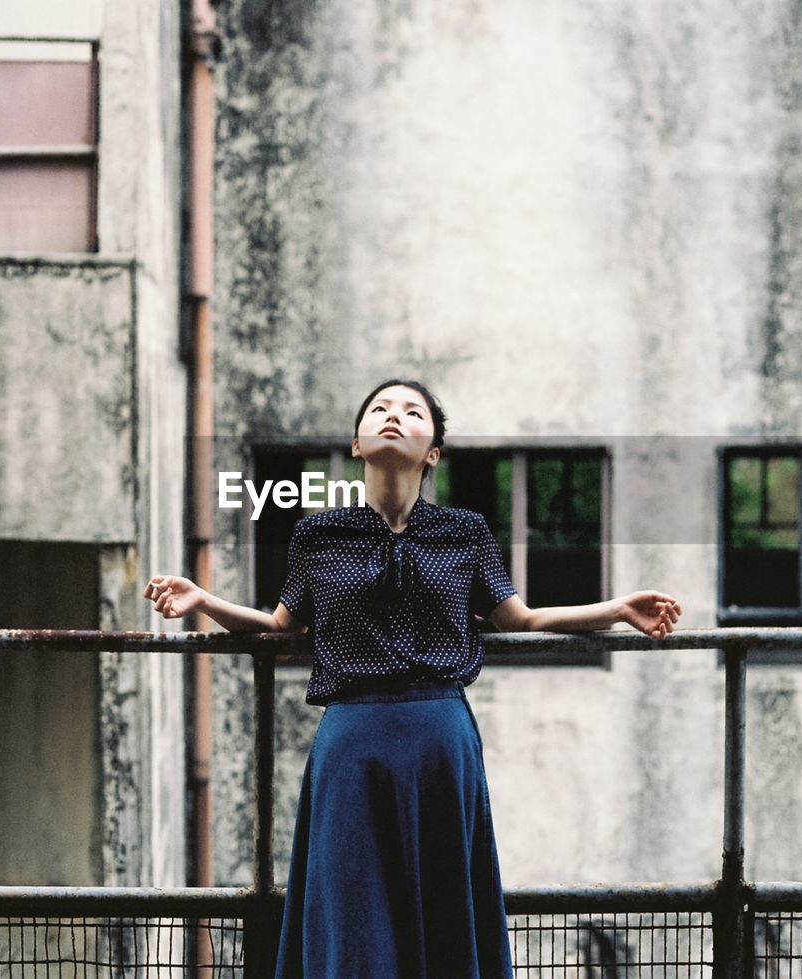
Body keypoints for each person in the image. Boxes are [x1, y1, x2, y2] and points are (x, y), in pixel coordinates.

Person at [144, 379, 682, 979]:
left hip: (439, 739)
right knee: (352, 913)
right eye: (379, 409)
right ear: (356, 443)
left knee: (444, 913)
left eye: (411, 412)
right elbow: (278, 624)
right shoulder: (317, 534)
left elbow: (521, 617)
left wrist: (616, 609)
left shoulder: (466, 532)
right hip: (352, 743)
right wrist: (202, 600)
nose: (393, 416)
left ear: (434, 454)